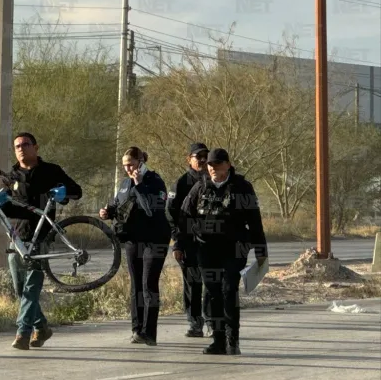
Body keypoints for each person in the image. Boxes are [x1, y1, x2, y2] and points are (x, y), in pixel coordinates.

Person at [178, 148, 268, 355]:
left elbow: (255, 221)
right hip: (206, 248)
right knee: (212, 293)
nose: (213, 169)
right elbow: (185, 216)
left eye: (218, 165)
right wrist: (180, 245)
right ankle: (218, 340)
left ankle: (232, 340)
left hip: (234, 248)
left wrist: (261, 251)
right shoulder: (200, 187)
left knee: (228, 290)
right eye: (210, 165)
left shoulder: (242, 187)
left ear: (228, 165)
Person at [2, 132, 83, 350]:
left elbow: (77, 191)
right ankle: (43, 327)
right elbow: (6, 208)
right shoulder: (12, 176)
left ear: (36, 148)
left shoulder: (51, 171)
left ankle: (23, 333)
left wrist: (64, 192)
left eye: (25, 144)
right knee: (20, 290)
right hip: (17, 239)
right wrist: (0, 201)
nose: (20, 148)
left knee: (31, 287)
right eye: (16, 145)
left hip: (41, 239)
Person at [99, 147, 170, 346]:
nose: (128, 169)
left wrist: (139, 184)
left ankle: (150, 332)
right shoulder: (124, 183)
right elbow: (118, 206)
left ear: (140, 161)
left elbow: (151, 209)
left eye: (130, 164)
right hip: (133, 239)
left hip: (154, 239)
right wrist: (108, 212)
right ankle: (137, 329)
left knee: (149, 284)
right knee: (136, 285)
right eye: (124, 166)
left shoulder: (155, 181)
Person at [167, 142, 212, 338]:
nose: (202, 160)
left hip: (212, 243)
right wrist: (177, 242)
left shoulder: (215, 180)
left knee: (212, 283)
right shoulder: (181, 183)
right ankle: (195, 323)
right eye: (198, 156)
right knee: (192, 284)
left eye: (205, 156)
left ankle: (212, 321)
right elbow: (170, 215)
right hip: (188, 242)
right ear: (189, 159)